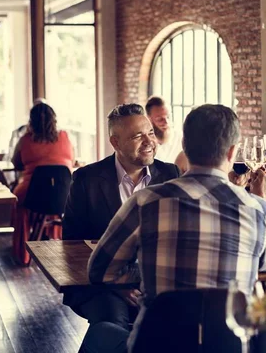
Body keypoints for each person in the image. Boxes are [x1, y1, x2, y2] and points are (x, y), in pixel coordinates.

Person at [84, 104, 266, 352]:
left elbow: (99, 271)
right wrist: (260, 200)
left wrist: (146, 271)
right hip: (228, 345)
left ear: (185, 147)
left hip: (157, 345)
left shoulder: (145, 202)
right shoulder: (257, 209)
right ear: (232, 152)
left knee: (100, 333)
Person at [61, 103, 180, 347]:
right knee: (113, 322)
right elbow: (71, 247)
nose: (149, 141)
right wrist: (117, 285)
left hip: (157, 283)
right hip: (100, 284)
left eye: (149, 132)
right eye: (137, 136)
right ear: (115, 142)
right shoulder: (86, 179)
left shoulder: (171, 174)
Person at [11, 102, 75, 264]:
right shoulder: (65, 137)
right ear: (54, 120)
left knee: (18, 201)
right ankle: (50, 234)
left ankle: (23, 251)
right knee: (52, 195)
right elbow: (71, 162)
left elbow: (16, 163)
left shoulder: (25, 140)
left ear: (31, 121)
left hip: (32, 193)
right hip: (63, 194)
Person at [145, 97, 183, 164]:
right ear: (149, 119)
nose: (166, 122)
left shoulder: (181, 140)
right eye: (160, 119)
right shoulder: (144, 143)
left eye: (168, 117)